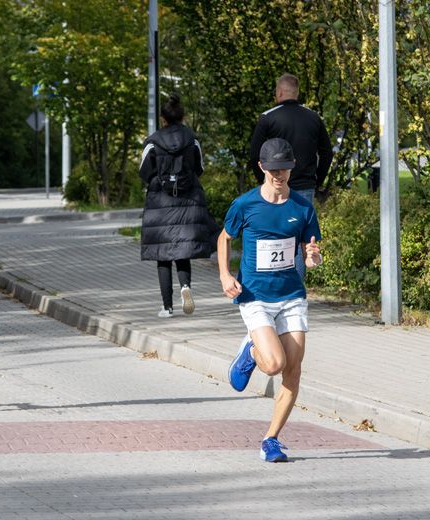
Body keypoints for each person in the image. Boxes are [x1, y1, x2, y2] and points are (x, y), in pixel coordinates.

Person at [218, 138, 322, 462]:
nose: (279, 174)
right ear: (262, 167)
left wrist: (314, 257)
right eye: (274, 168)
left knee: (293, 370)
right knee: (274, 363)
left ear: (292, 169)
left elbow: (311, 252)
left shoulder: (302, 208)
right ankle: (250, 351)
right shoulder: (245, 205)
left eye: (285, 168)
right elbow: (224, 238)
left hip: (291, 296)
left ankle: (271, 439)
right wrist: (224, 275)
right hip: (255, 296)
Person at [139, 93, 216, 318]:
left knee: (163, 255)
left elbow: (144, 171)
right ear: (183, 117)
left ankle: (167, 307)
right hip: (187, 201)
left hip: (160, 203)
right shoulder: (192, 140)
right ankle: (186, 287)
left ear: (163, 119)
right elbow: (199, 168)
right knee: (182, 250)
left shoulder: (152, 141)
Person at [249, 73, 332, 281]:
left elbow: (254, 153)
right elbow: (327, 152)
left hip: (274, 187)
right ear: (297, 93)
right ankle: (296, 290)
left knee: (272, 234)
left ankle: (273, 283)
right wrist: (317, 179)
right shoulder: (313, 117)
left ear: (278, 92)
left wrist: (264, 179)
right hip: (305, 186)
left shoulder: (268, 118)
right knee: (301, 239)